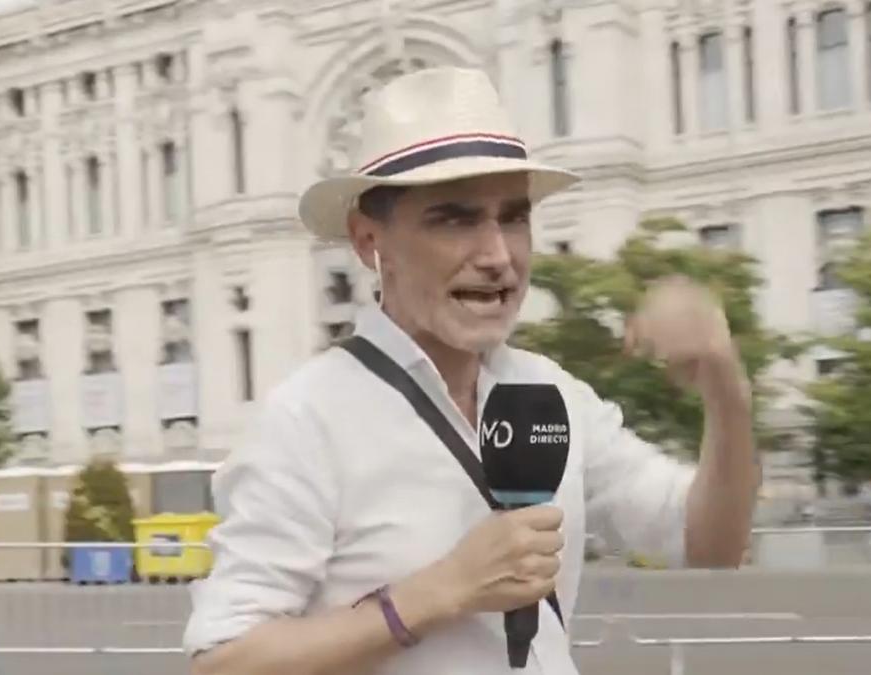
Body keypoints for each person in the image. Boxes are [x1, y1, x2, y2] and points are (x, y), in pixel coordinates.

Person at [184, 67, 759, 675]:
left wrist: (725, 386)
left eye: (513, 217)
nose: (497, 255)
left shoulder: (551, 392)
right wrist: (442, 591)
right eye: (454, 219)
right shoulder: (307, 419)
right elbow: (223, 661)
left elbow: (709, 543)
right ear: (369, 241)